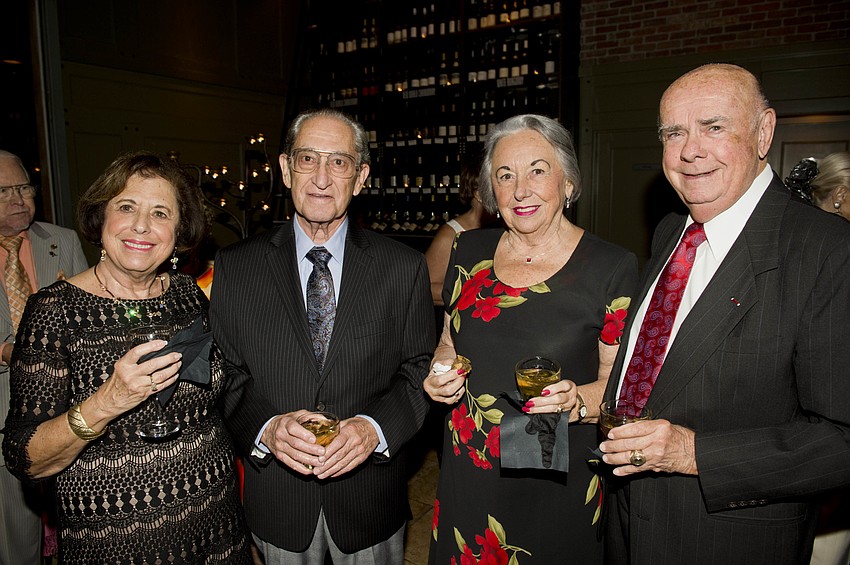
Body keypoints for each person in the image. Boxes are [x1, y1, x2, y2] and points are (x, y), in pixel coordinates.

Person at [599, 64, 850, 565]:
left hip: (728, 539)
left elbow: (842, 439)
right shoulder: (672, 229)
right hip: (627, 521)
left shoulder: (826, 250)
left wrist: (693, 455)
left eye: (713, 127)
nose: (690, 150)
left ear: (764, 133)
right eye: (674, 132)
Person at [2, 151, 252, 564]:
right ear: (102, 219)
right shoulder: (54, 310)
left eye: (160, 212)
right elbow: (24, 457)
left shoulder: (189, 294)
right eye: (126, 207)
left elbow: (225, 392)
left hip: (217, 523)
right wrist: (107, 401)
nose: (141, 225)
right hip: (118, 541)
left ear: (179, 231)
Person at [211, 108, 434, 564]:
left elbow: (418, 370)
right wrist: (267, 428)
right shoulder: (236, 267)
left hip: (369, 499)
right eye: (308, 158)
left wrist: (374, 430)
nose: (321, 178)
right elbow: (224, 371)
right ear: (285, 169)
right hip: (279, 499)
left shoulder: (402, 268)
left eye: (339, 162)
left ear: (361, 176)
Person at [423, 114, 638, 564]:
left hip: (554, 477)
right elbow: (449, 338)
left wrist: (575, 401)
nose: (521, 189)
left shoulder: (610, 268)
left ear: (568, 182)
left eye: (537, 170)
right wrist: (441, 369)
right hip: (469, 470)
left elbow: (619, 391)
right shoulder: (470, 251)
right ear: (492, 192)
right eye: (505, 175)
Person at [0, 150, 88, 565]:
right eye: (3, 191)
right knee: (16, 534)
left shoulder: (62, 239)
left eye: (23, 187)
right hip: (4, 407)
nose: (18, 199)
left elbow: (89, 313)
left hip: (67, 408)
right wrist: (10, 352)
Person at [425, 159, 498, 306]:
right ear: (479, 194)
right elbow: (426, 287)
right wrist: (471, 293)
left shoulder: (503, 228)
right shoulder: (450, 235)